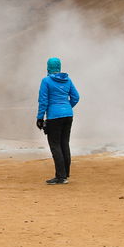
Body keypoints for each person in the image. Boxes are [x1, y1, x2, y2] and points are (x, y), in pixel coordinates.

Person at [36, 56, 79, 185]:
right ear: (59, 67)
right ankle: (65, 174)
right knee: (64, 143)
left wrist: (40, 118)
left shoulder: (46, 81)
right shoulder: (67, 80)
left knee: (55, 145)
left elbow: (43, 100)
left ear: (48, 67)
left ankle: (60, 177)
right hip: (68, 116)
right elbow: (76, 97)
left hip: (54, 117)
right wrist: (66, 108)